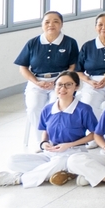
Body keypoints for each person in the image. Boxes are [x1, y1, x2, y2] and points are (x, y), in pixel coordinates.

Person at [0, 71, 95, 188]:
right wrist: (44, 143)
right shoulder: (48, 108)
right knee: (12, 160)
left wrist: (69, 144)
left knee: (59, 162)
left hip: (73, 153)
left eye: (68, 85)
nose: (62, 88)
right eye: (59, 84)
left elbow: (95, 134)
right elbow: (45, 130)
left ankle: (19, 178)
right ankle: (57, 172)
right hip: (51, 153)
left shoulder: (84, 109)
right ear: (54, 86)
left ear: (76, 87)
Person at [14, 11, 79, 144]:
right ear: (42, 24)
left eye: (56, 21)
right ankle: (42, 141)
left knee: (55, 106)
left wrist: (58, 81)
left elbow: (73, 66)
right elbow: (23, 67)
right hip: (37, 82)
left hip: (61, 82)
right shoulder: (32, 43)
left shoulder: (70, 42)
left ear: (61, 24)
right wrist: (37, 82)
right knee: (33, 107)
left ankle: (55, 138)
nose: (51, 25)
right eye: (47, 22)